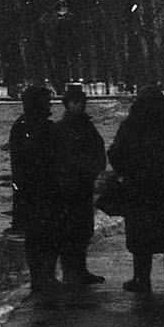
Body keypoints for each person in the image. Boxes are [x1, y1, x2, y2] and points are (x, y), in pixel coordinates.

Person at [105, 84, 164, 294]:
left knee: (142, 239)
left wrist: (126, 172)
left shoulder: (132, 124)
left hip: (141, 190)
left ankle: (142, 279)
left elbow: (116, 153)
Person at [7, 83, 63, 290]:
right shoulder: (39, 127)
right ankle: (43, 277)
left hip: (31, 190)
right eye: (47, 101)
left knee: (38, 236)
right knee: (45, 236)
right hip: (42, 189)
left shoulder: (23, 125)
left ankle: (41, 277)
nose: (50, 105)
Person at [52, 84, 106, 284]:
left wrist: (95, 170)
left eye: (82, 102)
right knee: (71, 230)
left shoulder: (84, 126)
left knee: (82, 229)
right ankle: (71, 272)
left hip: (81, 184)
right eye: (76, 102)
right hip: (69, 185)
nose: (81, 106)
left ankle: (79, 270)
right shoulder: (64, 128)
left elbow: (98, 150)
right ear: (67, 105)